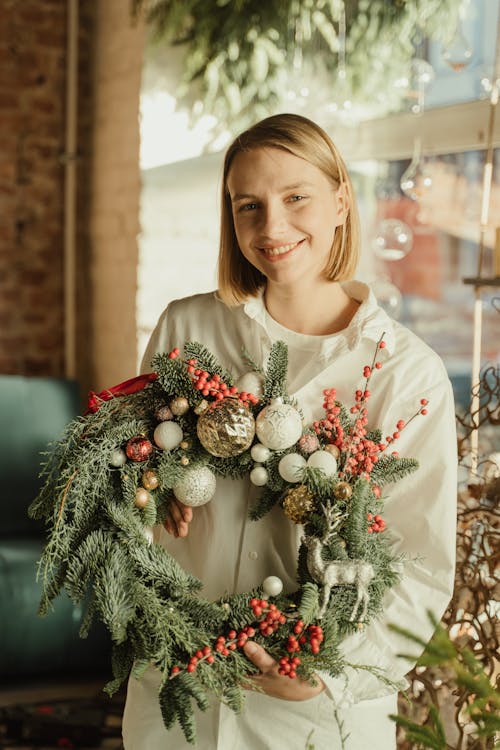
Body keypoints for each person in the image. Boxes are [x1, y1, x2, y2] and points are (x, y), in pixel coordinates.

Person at [122, 113, 457, 749]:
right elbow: (131, 484)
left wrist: (329, 668)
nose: (272, 227)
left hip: (316, 719)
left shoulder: (404, 372)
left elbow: (420, 563)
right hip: (179, 692)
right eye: (249, 205)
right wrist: (147, 486)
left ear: (341, 200)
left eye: (295, 197)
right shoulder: (187, 332)